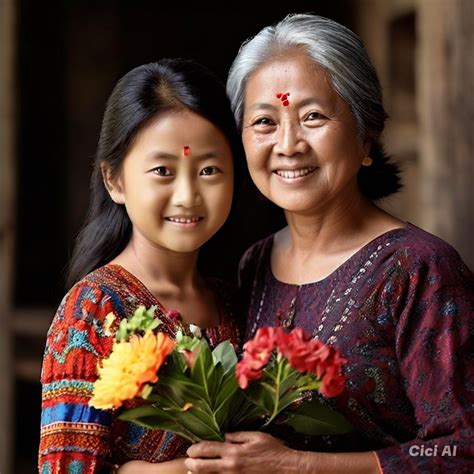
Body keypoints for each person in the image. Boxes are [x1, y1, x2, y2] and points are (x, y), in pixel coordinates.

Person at [185, 13, 474, 474]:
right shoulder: (254, 265)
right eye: (264, 121)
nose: (288, 144)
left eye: (313, 117)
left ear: (366, 135)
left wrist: (296, 464)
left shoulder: (419, 270)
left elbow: (462, 450)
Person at [38, 58, 244, 473]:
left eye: (209, 170)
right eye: (163, 171)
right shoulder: (93, 312)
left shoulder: (233, 299)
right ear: (114, 180)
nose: (188, 195)